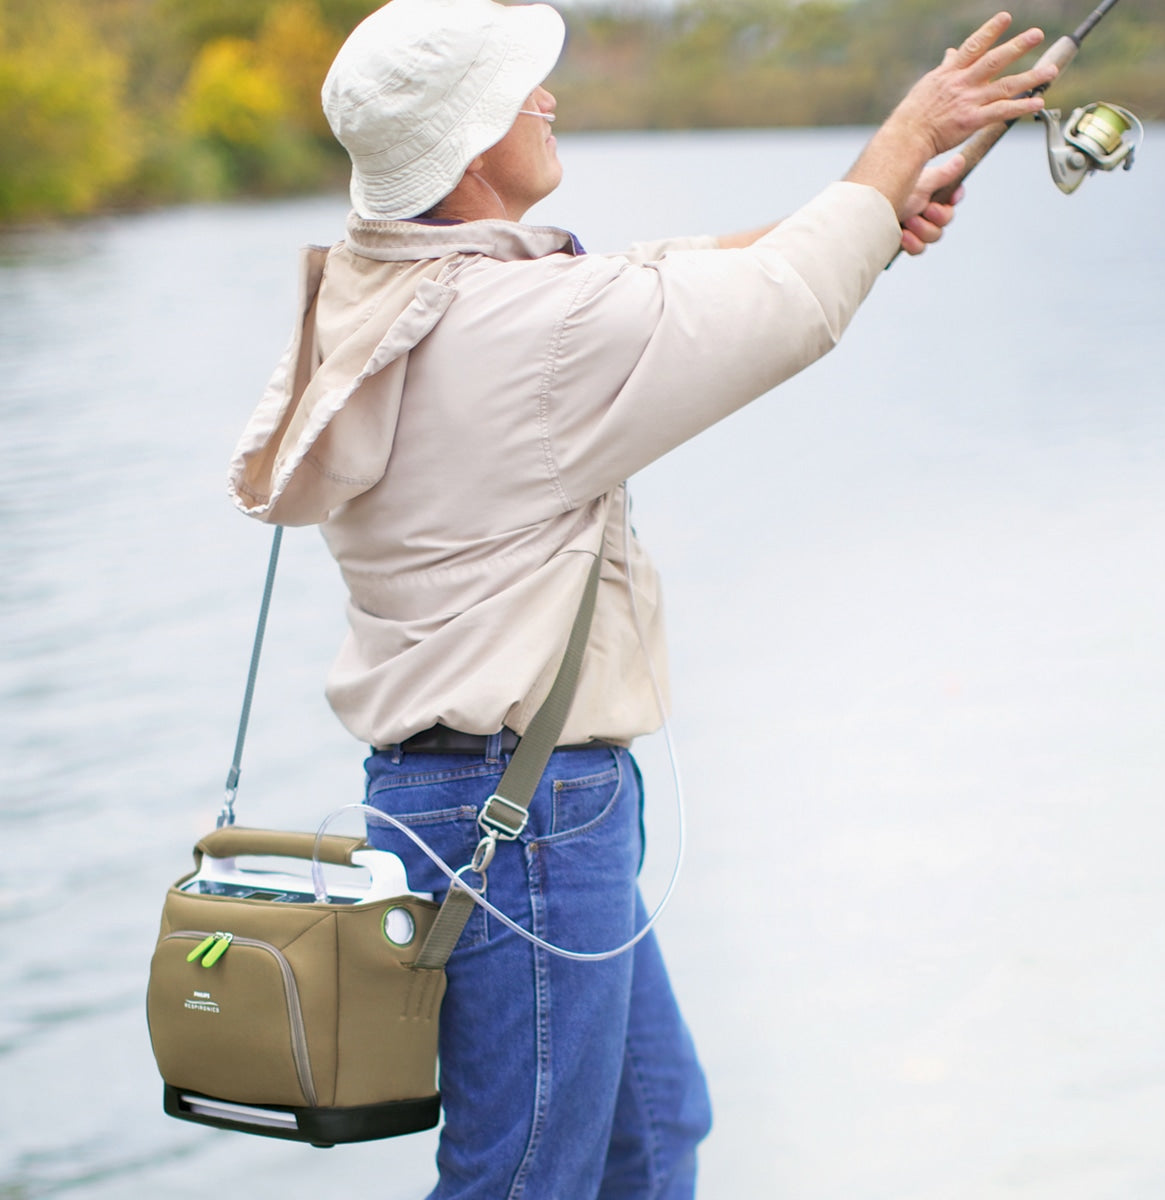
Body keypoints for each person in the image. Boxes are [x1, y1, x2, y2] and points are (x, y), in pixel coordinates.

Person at [228, 3, 1056, 1196]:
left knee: (650, 1130)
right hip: (525, 816)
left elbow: (655, 279)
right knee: (527, 1179)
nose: (550, 100)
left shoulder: (380, 291)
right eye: (526, 89)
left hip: (467, 798)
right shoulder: (523, 327)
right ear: (474, 145)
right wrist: (908, 134)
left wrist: (871, 206)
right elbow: (780, 303)